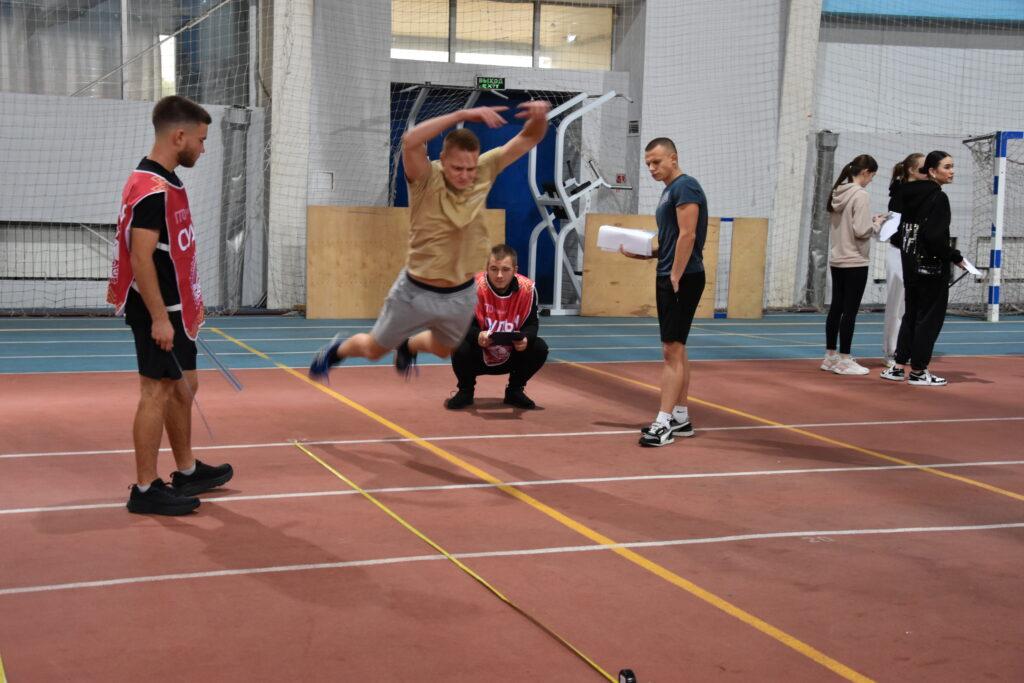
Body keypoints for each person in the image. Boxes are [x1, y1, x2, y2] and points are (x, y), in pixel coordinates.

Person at [308, 100, 551, 381]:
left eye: (470, 169)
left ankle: (409, 345)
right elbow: (410, 140)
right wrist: (461, 114)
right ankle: (335, 351)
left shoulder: (485, 169)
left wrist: (539, 117)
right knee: (374, 349)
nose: (465, 175)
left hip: (460, 294)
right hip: (415, 291)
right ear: (443, 160)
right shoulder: (425, 177)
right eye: (458, 168)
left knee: (443, 349)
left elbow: (529, 137)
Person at [107, 95, 233, 516]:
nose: (203, 148)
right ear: (179, 136)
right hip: (157, 310)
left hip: (177, 308)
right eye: (200, 140)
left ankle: (187, 469)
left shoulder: (164, 182)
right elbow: (141, 257)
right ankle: (145, 489)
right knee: (156, 392)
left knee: (185, 385)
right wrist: (160, 318)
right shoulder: (150, 189)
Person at [621, 138, 707, 447]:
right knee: (677, 348)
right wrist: (643, 252)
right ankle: (681, 418)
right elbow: (669, 240)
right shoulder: (669, 191)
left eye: (656, 162)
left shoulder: (686, 187)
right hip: (671, 274)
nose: (651, 168)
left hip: (682, 278)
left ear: (673, 158)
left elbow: (688, 233)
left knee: (671, 350)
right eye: (648, 164)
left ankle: (663, 422)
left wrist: (675, 273)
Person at [883, 150, 965, 386]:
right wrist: (955, 256)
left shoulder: (904, 193)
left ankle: (898, 367)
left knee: (911, 315)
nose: (952, 171)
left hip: (910, 264)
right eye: (947, 167)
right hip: (930, 267)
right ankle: (919, 371)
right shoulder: (938, 197)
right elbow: (934, 236)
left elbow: (900, 230)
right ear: (931, 171)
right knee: (929, 320)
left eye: (952, 166)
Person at [444, 244, 548, 410]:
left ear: (515, 270)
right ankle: (465, 391)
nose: (499, 275)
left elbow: (532, 324)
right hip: (478, 353)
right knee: (458, 342)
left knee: (539, 347)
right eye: (494, 269)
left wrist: (527, 338)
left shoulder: (528, 290)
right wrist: (478, 335)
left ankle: (515, 391)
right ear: (487, 269)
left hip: (512, 353)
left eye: (505, 269)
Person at [820, 154, 881, 376]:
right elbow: (861, 230)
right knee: (850, 311)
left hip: (838, 258)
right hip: (855, 259)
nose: (871, 180)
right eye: (872, 176)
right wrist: (876, 224)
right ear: (865, 172)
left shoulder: (838, 192)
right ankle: (845, 358)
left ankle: (830, 356)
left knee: (836, 307)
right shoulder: (860, 195)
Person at [881, 153, 927, 369]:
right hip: (898, 252)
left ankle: (906, 348)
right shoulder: (900, 192)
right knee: (896, 305)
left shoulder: (929, 193)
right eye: (923, 168)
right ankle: (891, 351)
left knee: (913, 306)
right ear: (911, 170)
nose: (928, 172)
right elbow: (895, 227)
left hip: (916, 254)